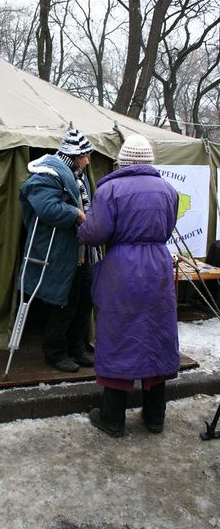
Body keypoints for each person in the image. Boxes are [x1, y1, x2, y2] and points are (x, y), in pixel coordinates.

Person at [78, 134, 179, 437]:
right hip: (158, 266)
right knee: (157, 334)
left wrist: (82, 227)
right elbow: (169, 226)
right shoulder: (168, 190)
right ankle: (155, 417)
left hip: (123, 269)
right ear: (148, 162)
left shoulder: (110, 189)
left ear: (124, 161)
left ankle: (113, 418)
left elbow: (96, 232)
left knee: (119, 335)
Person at [19, 125, 96, 372]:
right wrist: (76, 213)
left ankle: (77, 347)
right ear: (75, 156)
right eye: (85, 155)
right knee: (64, 304)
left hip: (82, 252)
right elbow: (47, 209)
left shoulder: (78, 176)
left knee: (83, 302)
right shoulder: (46, 175)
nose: (88, 160)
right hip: (61, 252)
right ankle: (55, 351)